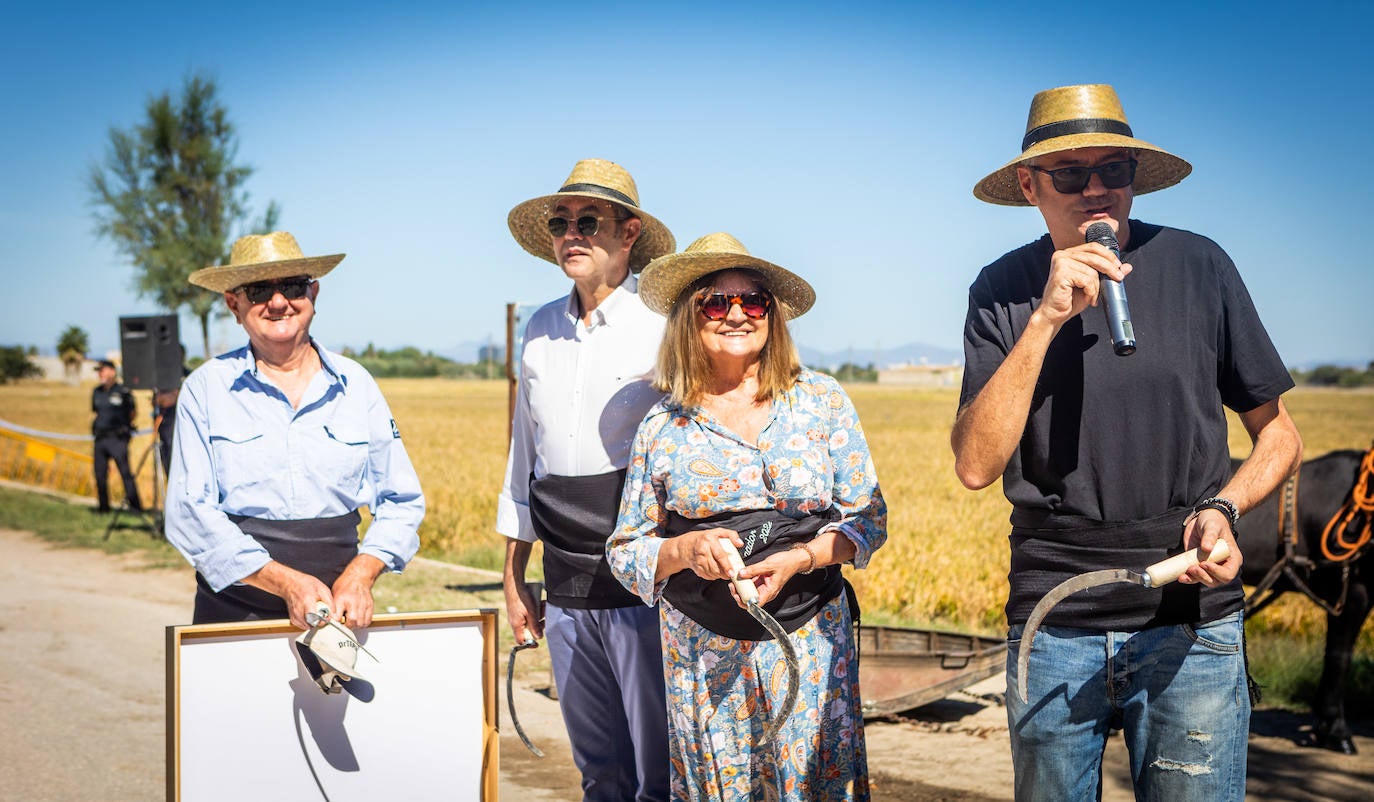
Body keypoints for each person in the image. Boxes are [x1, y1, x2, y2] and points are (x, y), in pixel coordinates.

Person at [952, 84, 1303, 801]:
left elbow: (1279, 437)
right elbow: (975, 464)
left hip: (1189, 620)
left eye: (1113, 170)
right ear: (1029, 185)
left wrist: (1227, 508)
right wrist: (1046, 319)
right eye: (1071, 175)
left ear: (1135, 178)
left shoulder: (1200, 266)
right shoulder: (1000, 291)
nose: (1096, 191)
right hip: (1055, 619)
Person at [609, 232, 887, 801]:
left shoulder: (821, 399)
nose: (736, 313)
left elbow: (869, 518)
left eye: (752, 300)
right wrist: (686, 551)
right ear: (691, 317)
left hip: (812, 641)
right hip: (702, 654)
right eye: (715, 301)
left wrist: (800, 557)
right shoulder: (663, 425)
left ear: (773, 314)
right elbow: (624, 549)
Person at [499, 159, 676, 801]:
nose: (571, 233)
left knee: (658, 770)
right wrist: (513, 576)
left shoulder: (664, 326)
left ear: (629, 234)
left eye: (588, 221)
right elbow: (526, 460)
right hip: (565, 576)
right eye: (560, 221)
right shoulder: (538, 329)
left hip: (642, 575)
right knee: (598, 768)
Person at [164, 231, 425, 630]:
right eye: (258, 290)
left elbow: (401, 500)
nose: (279, 302)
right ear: (233, 304)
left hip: (339, 614)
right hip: (236, 610)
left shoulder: (357, 384)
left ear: (314, 294)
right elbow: (188, 512)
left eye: (292, 285)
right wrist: (284, 583)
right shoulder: (205, 388)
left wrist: (361, 573)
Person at [90, 358, 142, 514]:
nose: (100, 374)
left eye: (103, 370)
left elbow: (132, 413)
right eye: (99, 371)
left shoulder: (123, 391)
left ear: (112, 371)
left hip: (117, 439)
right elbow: (96, 412)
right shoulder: (97, 392)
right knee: (99, 475)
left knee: (125, 474)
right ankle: (103, 508)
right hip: (100, 438)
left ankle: (135, 507)